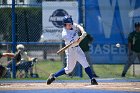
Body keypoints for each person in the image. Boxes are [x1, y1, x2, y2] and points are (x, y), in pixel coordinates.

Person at [47, 15, 98, 85]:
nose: (70, 25)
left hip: (78, 48)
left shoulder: (72, 25)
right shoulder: (64, 35)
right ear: (64, 25)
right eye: (68, 24)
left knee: (85, 63)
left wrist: (83, 32)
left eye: (71, 23)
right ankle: (54, 76)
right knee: (69, 69)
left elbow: (79, 26)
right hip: (71, 50)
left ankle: (92, 79)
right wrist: (81, 37)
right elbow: (77, 42)